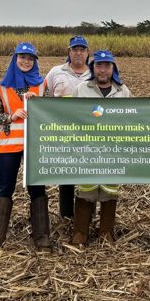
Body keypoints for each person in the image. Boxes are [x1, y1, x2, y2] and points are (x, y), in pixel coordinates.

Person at [0, 42, 51, 250]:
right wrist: (11, 116)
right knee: (4, 188)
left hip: (34, 146)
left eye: (30, 59)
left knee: (37, 189)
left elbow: (50, 113)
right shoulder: (3, 86)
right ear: (15, 59)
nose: (26, 61)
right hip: (8, 147)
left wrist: (36, 103)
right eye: (22, 57)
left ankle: (42, 238)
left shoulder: (41, 86)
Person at [70, 50, 132, 245]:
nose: (103, 70)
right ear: (92, 67)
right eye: (98, 65)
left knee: (109, 189)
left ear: (113, 68)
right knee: (85, 188)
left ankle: (106, 231)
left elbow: (134, 118)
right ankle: (80, 232)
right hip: (87, 149)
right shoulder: (81, 89)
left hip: (113, 150)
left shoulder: (123, 91)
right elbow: (69, 116)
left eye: (107, 65)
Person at [44, 35, 92, 219]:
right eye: (75, 49)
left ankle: (85, 217)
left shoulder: (94, 73)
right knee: (67, 176)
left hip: (89, 133)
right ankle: (66, 217)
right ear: (69, 52)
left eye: (82, 50)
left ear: (88, 53)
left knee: (88, 176)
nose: (78, 53)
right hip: (63, 133)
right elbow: (44, 97)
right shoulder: (56, 72)